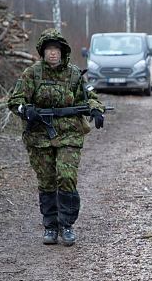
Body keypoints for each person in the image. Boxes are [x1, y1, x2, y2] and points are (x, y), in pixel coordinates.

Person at [7, 28, 105, 246]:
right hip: (39, 136)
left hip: (69, 132)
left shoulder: (73, 74)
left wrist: (96, 110)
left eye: (57, 49)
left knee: (66, 176)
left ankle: (67, 225)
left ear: (63, 51)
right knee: (47, 181)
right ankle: (51, 226)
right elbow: (15, 100)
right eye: (49, 49)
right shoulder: (32, 74)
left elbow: (91, 96)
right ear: (43, 52)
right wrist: (26, 110)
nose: (53, 53)